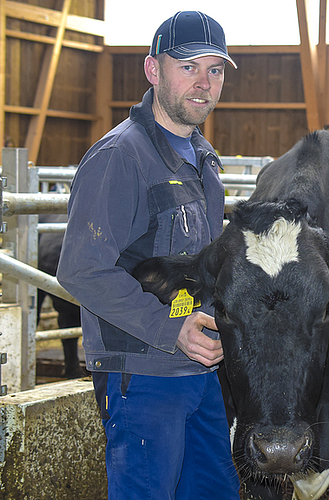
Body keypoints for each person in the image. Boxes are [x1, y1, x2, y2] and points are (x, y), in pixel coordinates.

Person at [57, 11, 240, 500]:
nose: (204, 83)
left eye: (215, 70)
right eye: (188, 67)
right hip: (142, 376)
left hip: (199, 370)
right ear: (153, 70)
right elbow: (81, 269)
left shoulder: (202, 160)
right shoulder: (121, 156)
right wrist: (169, 328)